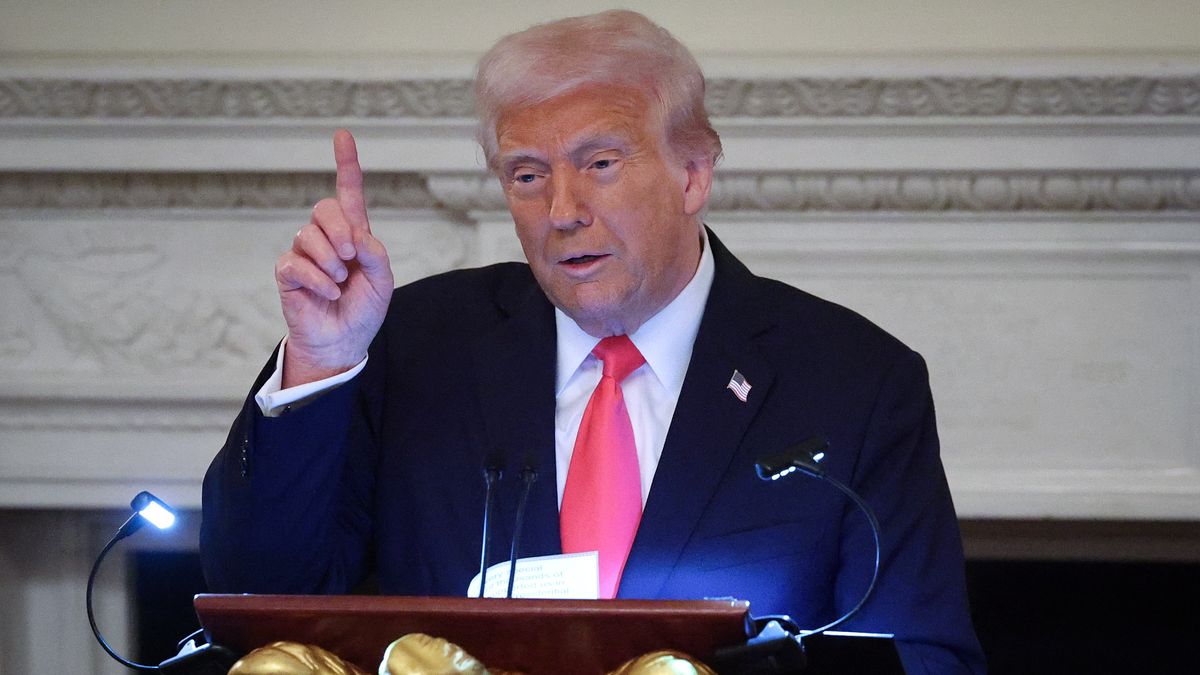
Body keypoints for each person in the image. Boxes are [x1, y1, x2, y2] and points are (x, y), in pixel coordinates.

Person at [201, 10, 985, 674]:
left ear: (693, 173)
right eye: (527, 175)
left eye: (600, 164)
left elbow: (923, 654)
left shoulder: (854, 381)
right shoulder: (413, 346)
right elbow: (258, 598)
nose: (562, 210)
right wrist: (320, 363)